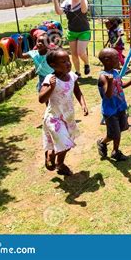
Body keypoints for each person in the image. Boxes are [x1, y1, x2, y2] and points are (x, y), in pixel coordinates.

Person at [39, 48, 88, 176]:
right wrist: (51, 87)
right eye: (63, 61)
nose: (68, 63)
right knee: (64, 143)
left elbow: (77, 91)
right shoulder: (50, 79)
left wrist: (83, 104)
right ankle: (50, 154)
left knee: (68, 143)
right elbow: (41, 99)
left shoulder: (72, 76)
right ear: (53, 65)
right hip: (54, 118)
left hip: (68, 117)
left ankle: (60, 164)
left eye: (68, 60)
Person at [96, 48, 131, 162]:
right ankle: (114, 151)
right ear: (107, 60)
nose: (119, 59)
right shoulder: (103, 77)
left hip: (120, 107)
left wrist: (129, 82)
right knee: (116, 133)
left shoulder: (115, 72)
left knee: (122, 128)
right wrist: (109, 82)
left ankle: (103, 142)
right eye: (116, 58)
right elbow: (108, 95)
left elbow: (119, 85)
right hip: (110, 111)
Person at [52, 0, 91, 77]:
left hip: (84, 31)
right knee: (74, 54)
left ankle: (86, 64)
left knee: (81, 52)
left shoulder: (84, 0)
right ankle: (77, 72)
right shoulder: (66, 3)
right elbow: (59, 12)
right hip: (72, 31)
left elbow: (84, 10)